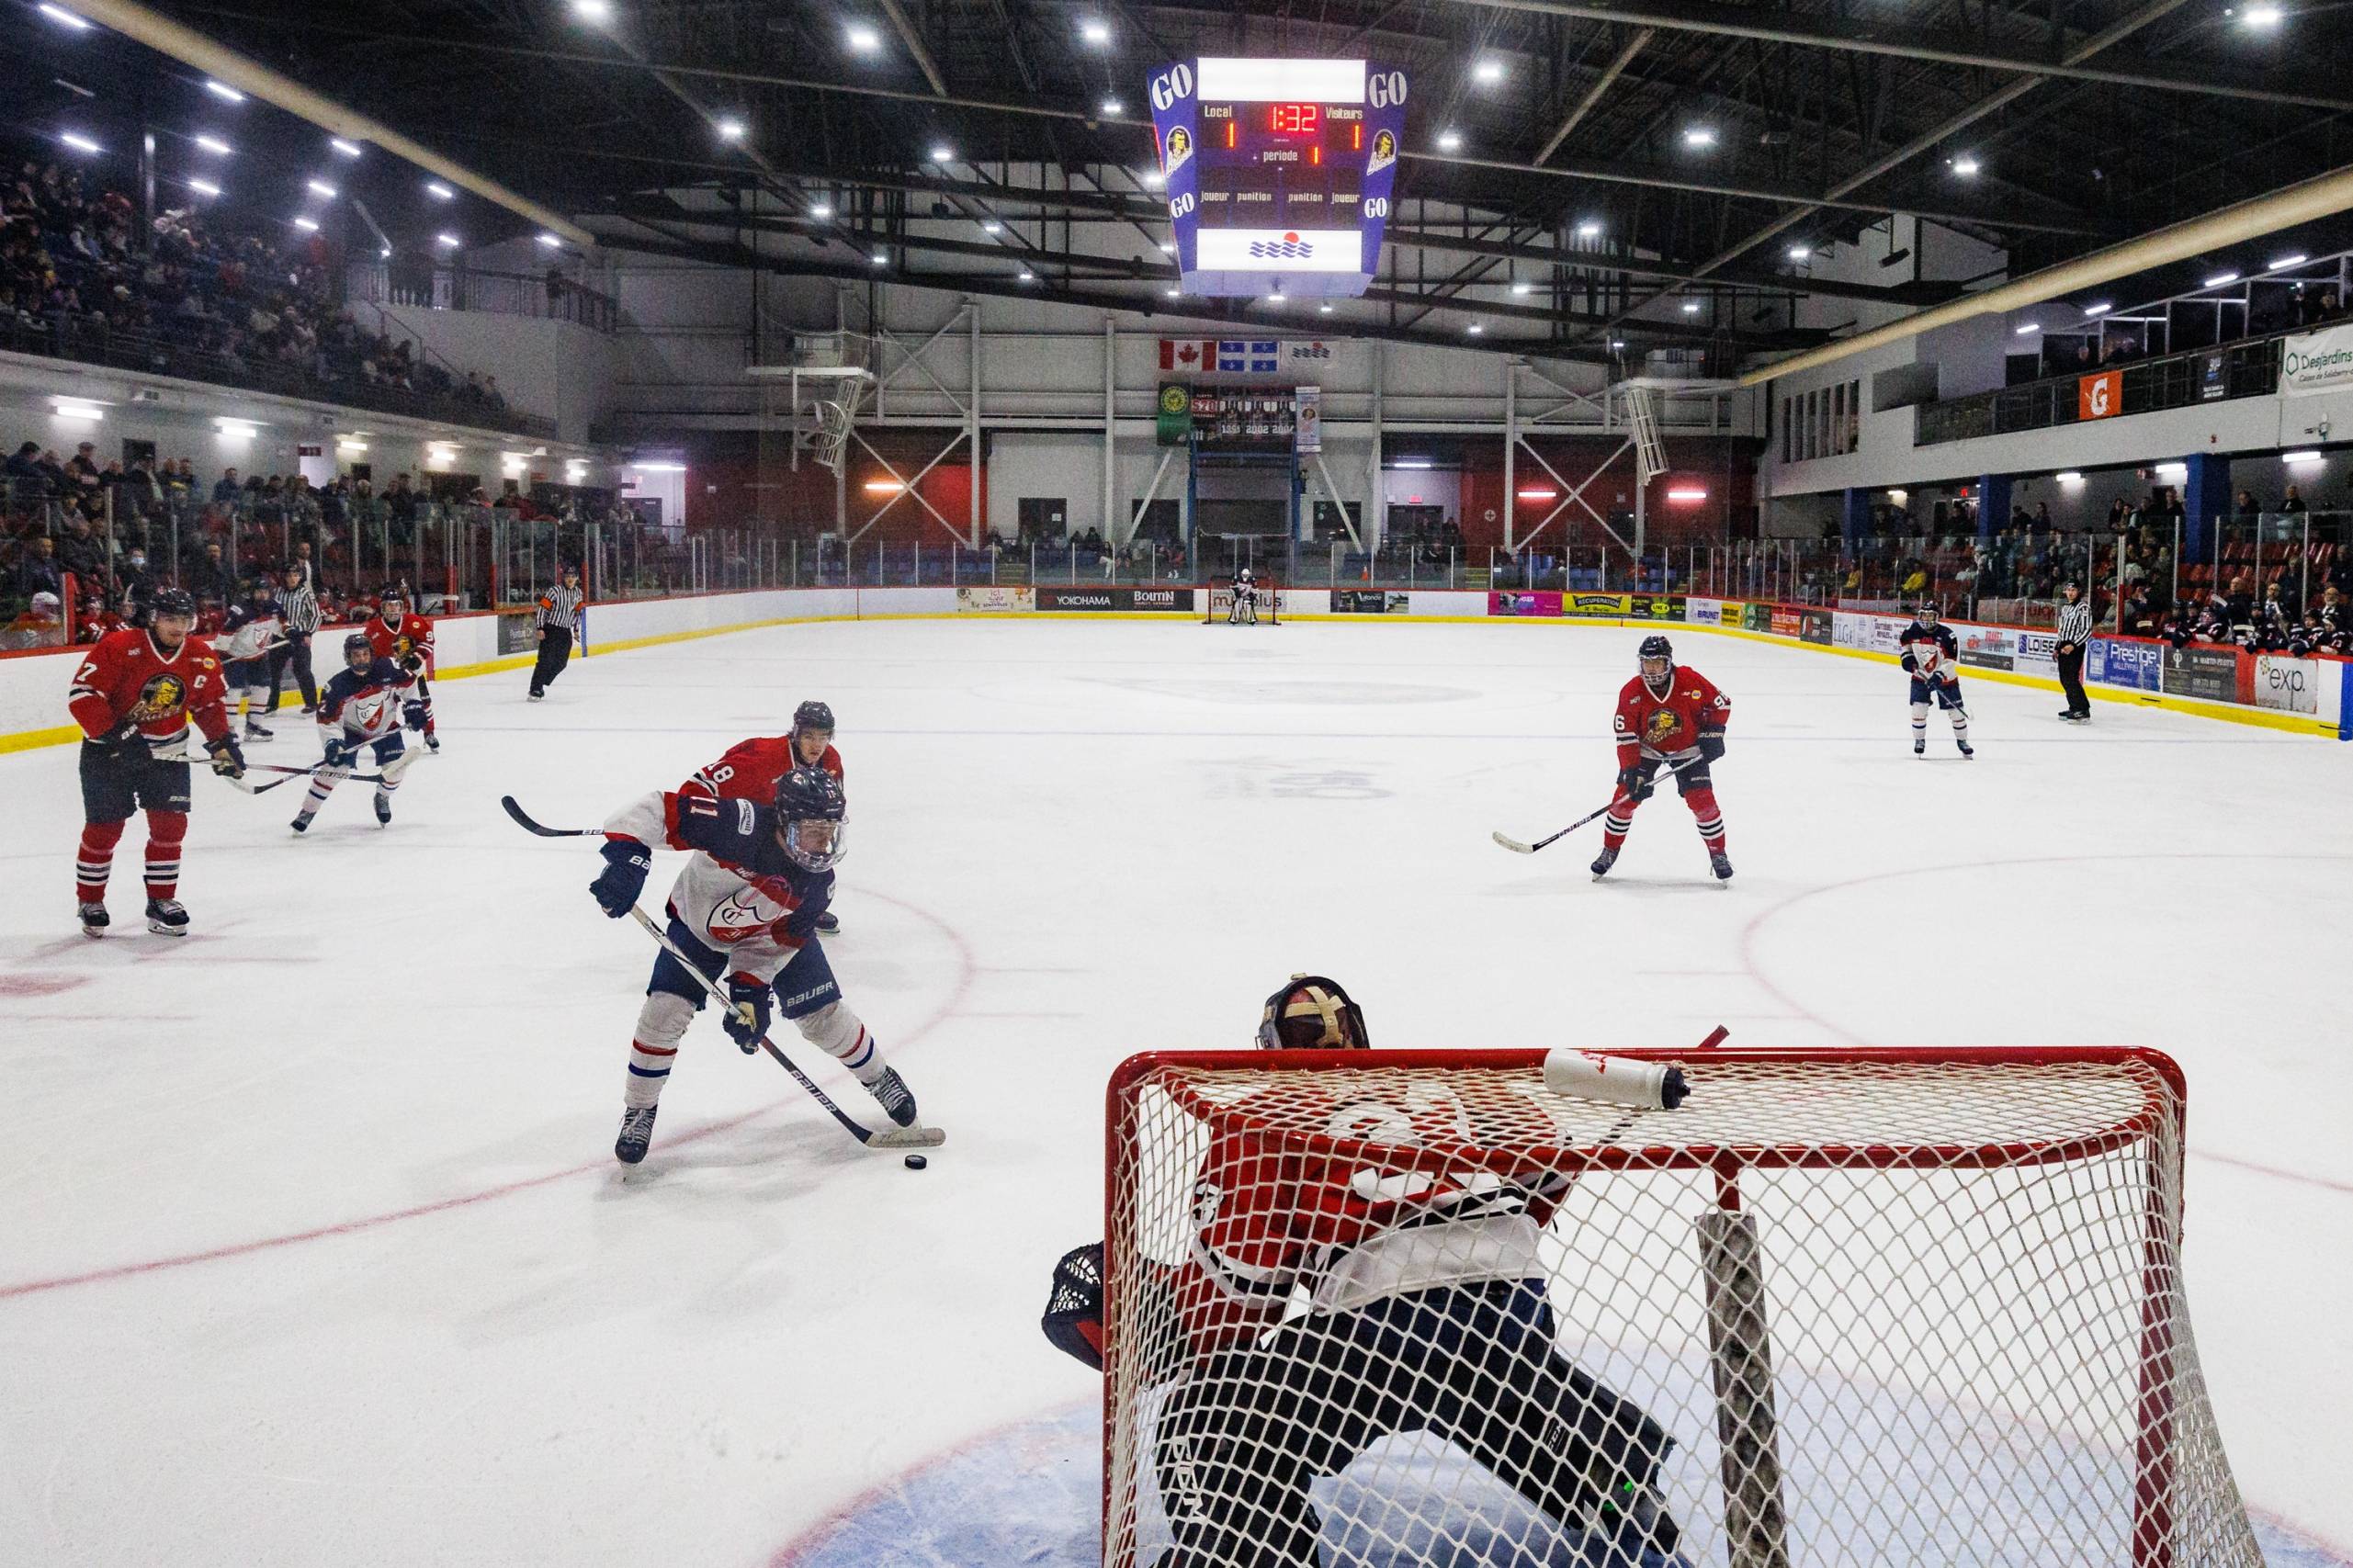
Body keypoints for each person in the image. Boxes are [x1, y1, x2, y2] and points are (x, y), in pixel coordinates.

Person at [1038, 975, 1686, 1568]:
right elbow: (1546, 1169)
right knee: (1490, 1386)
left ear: (1270, 1047)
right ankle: (1614, 1477)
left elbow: (1236, 1298)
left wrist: (1159, 1312)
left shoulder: (1262, 1112)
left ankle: (1241, 1556)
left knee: (1209, 1410)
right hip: (1513, 1304)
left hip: (1380, 1326)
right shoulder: (1453, 1081)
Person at [585, 762, 918, 1166]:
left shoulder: (817, 884)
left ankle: (879, 1077)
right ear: (784, 822)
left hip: (764, 934)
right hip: (697, 930)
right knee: (663, 1013)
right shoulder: (737, 825)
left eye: (830, 830)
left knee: (824, 1017)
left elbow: (777, 942)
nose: (823, 843)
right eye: (813, 830)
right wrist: (627, 862)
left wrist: (749, 991)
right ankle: (640, 1109)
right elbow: (656, 809)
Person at [65, 586, 245, 937]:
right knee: (105, 829)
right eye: (169, 619)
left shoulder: (200, 654)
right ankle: (90, 901)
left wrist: (222, 745)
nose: (178, 627)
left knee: (170, 827)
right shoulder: (119, 647)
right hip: (109, 752)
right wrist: (119, 734)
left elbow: (207, 705)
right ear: (153, 618)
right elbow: (82, 696)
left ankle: (161, 901)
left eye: (184, 619)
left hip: (168, 751)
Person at [676, 702, 847, 930]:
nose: (817, 745)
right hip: (750, 832)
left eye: (824, 737)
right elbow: (696, 788)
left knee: (816, 869)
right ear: (796, 734)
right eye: (809, 736)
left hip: (789, 833)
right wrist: (710, 825)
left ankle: (801, 914)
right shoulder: (762, 757)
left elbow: (832, 805)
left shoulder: (831, 760)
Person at [1593, 635, 1733, 882]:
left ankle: (1718, 854)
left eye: (1658, 663)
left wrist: (1713, 734)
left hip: (1688, 748)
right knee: (1623, 800)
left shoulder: (1689, 679)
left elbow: (1721, 705)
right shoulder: (1631, 691)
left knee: (1703, 803)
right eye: (1647, 663)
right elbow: (1626, 736)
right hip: (1647, 749)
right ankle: (1609, 850)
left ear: (1669, 663)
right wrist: (1631, 770)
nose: (1653, 669)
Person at [291, 634, 417, 833]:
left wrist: (415, 706)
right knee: (334, 769)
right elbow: (328, 720)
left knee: (396, 770)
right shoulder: (337, 686)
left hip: (385, 729)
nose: (361, 659)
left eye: (365, 654)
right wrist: (333, 743)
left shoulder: (387, 668)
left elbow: (410, 685)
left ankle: (382, 797)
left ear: (371, 654)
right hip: (352, 732)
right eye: (356, 655)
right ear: (348, 657)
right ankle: (308, 811)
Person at [363, 583, 439, 751]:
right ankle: (388, 740)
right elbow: (368, 654)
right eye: (389, 605)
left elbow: (428, 641)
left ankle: (429, 733)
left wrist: (417, 657)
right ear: (382, 607)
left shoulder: (414, 622)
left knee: (424, 702)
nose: (393, 608)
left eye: (396, 604)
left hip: (413, 673)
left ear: (401, 606)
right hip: (387, 676)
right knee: (388, 707)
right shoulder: (373, 628)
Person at [1899, 602, 1974, 758]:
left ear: (1937, 617)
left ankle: (1962, 741)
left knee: (1956, 713)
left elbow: (1951, 661)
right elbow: (1905, 647)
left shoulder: (1948, 635)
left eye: (1930, 615)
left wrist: (1939, 674)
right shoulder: (1912, 630)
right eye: (1924, 614)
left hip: (1946, 679)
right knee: (1919, 708)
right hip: (1920, 676)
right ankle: (1919, 740)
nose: (1926, 618)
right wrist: (1907, 658)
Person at [216, 574, 284, 743]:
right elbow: (225, 634)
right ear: (252, 593)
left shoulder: (275, 608)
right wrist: (219, 654)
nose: (262, 595)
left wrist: (290, 632)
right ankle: (228, 729)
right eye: (259, 592)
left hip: (258, 656)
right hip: (235, 656)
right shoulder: (240, 610)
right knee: (234, 691)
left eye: (265, 592)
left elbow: (281, 626)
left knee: (263, 689)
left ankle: (254, 725)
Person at [270, 561, 321, 716]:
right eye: (289, 575)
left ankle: (312, 704)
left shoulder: (306, 593)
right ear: (284, 577)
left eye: (296, 575)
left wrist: (308, 633)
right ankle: (272, 704)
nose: (293, 578)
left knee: (303, 671)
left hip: (299, 638)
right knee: (273, 672)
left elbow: (316, 616)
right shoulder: (277, 593)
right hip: (279, 638)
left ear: (300, 577)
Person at [527, 563, 584, 700]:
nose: (570, 579)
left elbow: (577, 612)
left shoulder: (578, 593)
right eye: (567, 576)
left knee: (561, 663)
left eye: (573, 576)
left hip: (565, 631)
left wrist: (576, 630)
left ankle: (542, 681)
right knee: (545, 660)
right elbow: (542, 609)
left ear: (577, 578)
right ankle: (535, 689)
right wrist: (540, 627)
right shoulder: (555, 591)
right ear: (563, 578)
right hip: (551, 629)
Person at [2053, 581, 2094, 722]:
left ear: (2079, 592)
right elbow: (2062, 629)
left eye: (2074, 590)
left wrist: (2074, 645)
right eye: (2068, 590)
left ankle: (2082, 709)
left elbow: (2087, 630)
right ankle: (2074, 707)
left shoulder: (2083, 608)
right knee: (2064, 679)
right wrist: (2057, 647)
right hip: (2064, 646)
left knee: (2071, 678)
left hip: (2075, 647)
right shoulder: (2065, 608)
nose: (2070, 593)